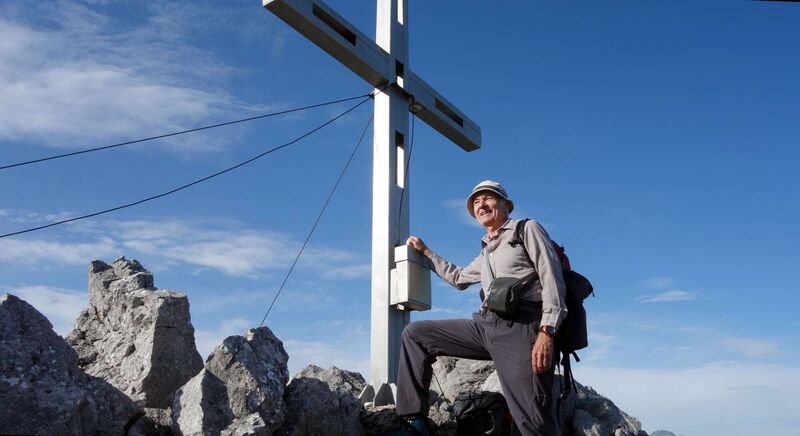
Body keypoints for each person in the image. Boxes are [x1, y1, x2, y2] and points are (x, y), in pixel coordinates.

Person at [396, 180, 567, 436]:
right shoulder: (486, 250)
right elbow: (459, 278)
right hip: (484, 326)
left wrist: (547, 332)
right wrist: (427, 253)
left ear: (506, 205)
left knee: (532, 417)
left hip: (521, 328)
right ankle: (414, 423)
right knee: (416, 334)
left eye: (488, 198)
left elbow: (552, 278)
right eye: (476, 202)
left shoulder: (526, 229)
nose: (481, 205)